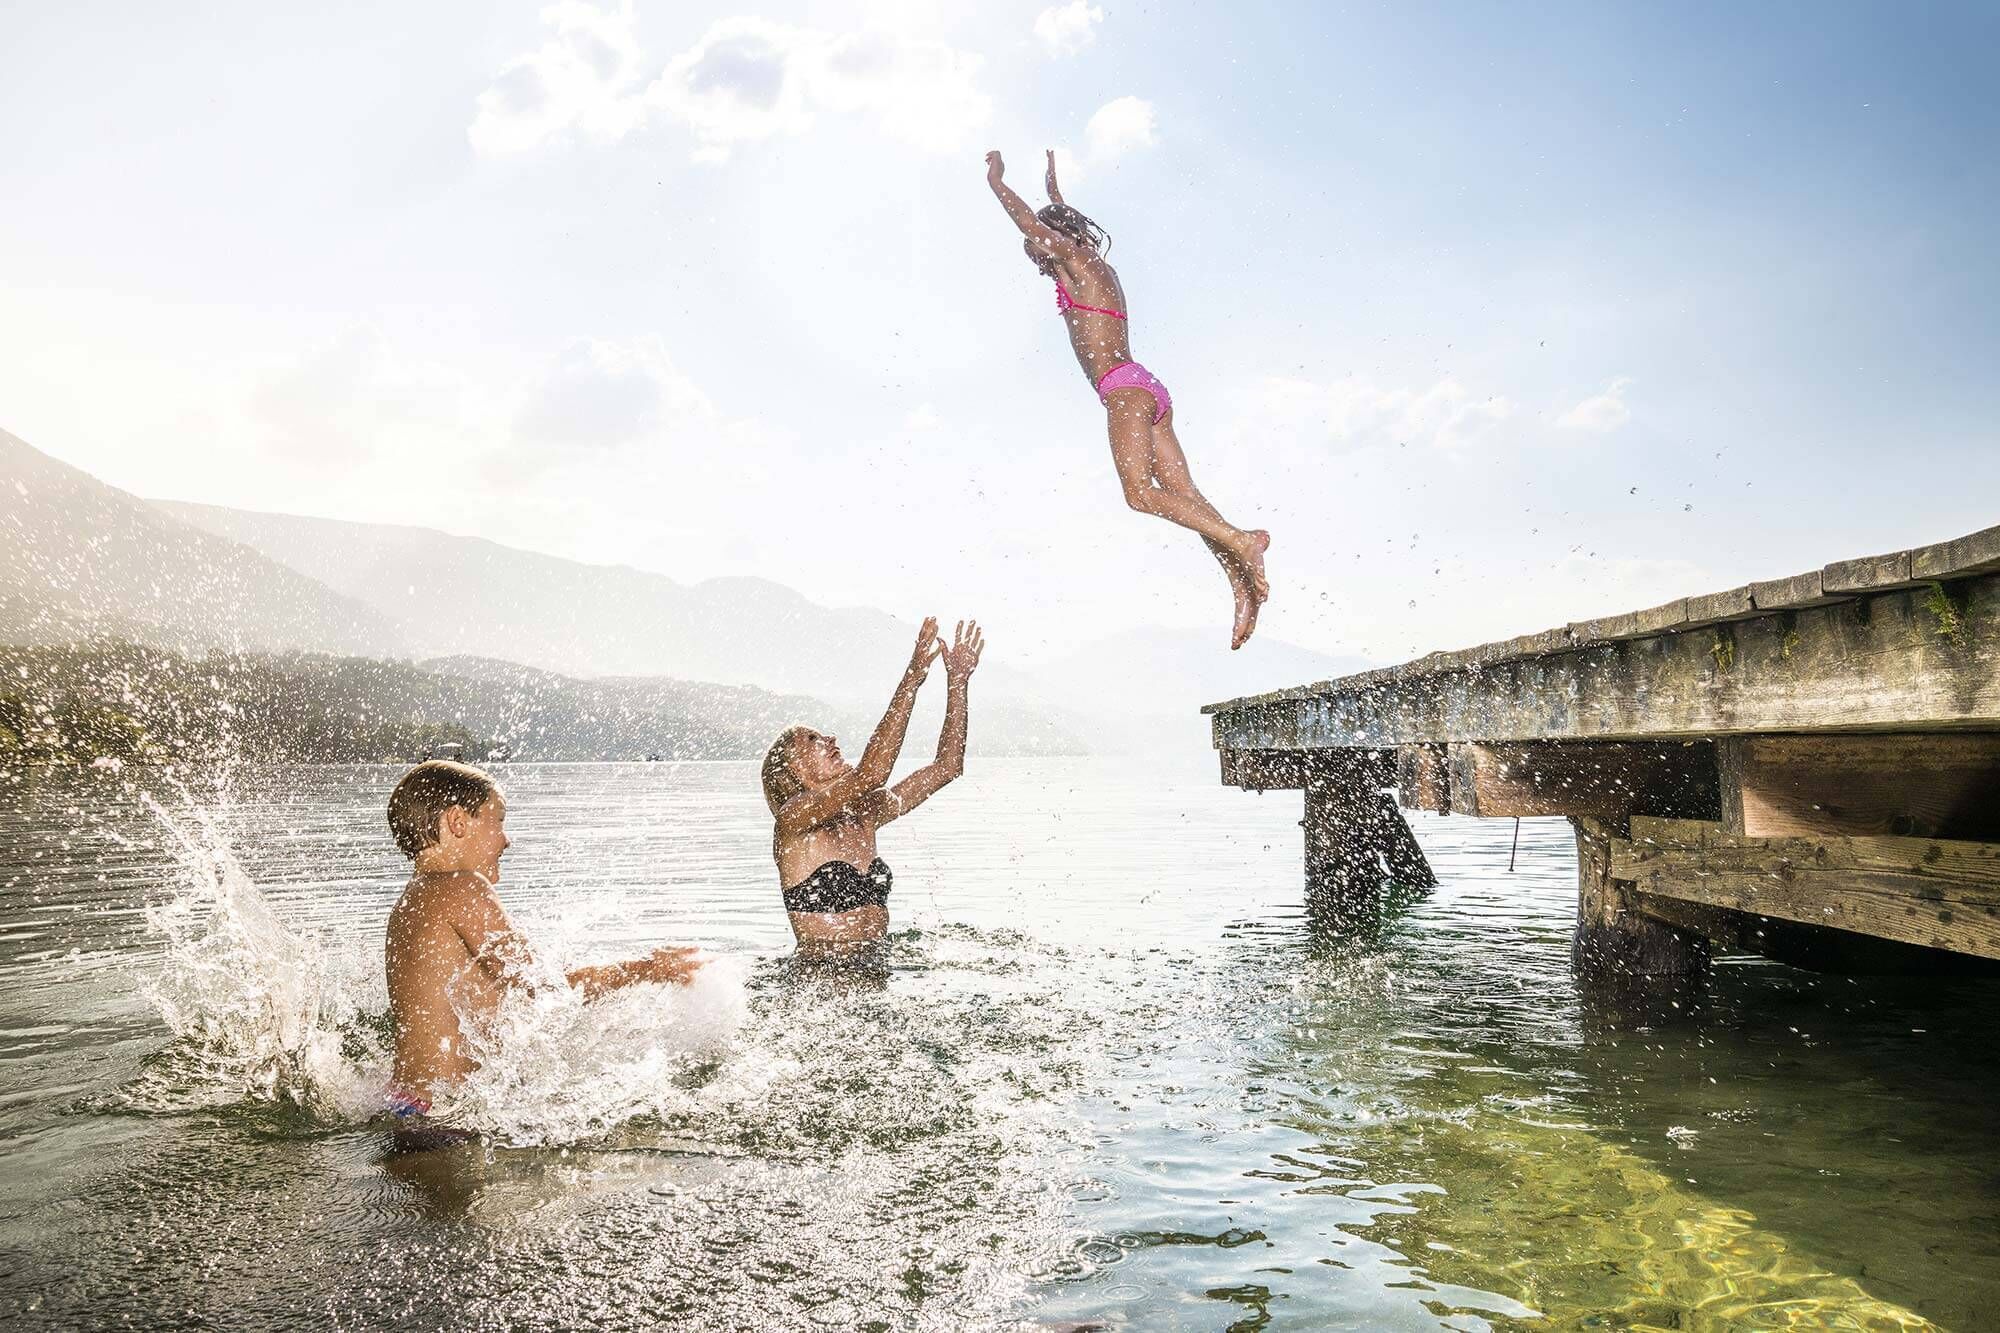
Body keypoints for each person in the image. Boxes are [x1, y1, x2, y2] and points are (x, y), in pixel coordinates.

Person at [985, 147, 1271, 649]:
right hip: (1147, 388)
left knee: (1139, 494)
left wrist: (997, 181)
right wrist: (1053, 188)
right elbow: (1052, 217)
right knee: (1189, 500)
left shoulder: (1073, 259)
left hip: (1125, 392)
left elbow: (1031, 223)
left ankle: (1243, 540)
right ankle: (1242, 582)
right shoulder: (1091, 264)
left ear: (1061, 239)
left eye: (1040, 247)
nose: (1035, 254)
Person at [382, 760, 706, 1125]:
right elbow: (546, 987)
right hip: (443, 1115)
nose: (506, 839)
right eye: (498, 820)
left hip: (408, 1103)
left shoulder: (413, 900)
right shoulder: (463, 888)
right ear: (458, 822)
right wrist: (644, 970)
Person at [761, 618, 983, 962]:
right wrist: (911, 680)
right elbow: (872, 772)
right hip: (817, 987)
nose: (830, 739)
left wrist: (957, 682)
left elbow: (946, 768)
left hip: (877, 975)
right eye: (813, 739)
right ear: (796, 770)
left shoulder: (863, 815)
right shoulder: (793, 823)